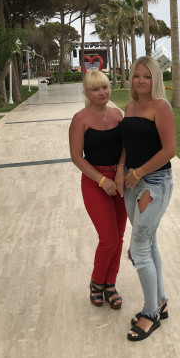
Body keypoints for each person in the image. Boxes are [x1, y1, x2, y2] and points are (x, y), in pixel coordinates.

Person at [115, 56, 176, 341]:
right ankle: (160, 301)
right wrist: (122, 169)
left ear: (155, 79)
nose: (141, 81)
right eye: (137, 75)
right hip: (131, 181)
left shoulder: (160, 107)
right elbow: (127, 143)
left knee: (138, 250)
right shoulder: (130, 106)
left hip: (154, 184)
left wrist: (138, 173)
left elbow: (169, 150)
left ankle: (150, 313)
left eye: (147, 76)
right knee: (148, 244)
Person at [69, 68, 127, 310]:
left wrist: (121, 170)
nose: (102, 92)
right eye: (95, 89)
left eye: (105, 87)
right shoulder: (80, 119)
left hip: (120, 180)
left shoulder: (117, 114)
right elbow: (76, 157)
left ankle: (110, 283)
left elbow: (126, 146)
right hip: (95, 182)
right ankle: (97, 281)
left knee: (119, 237)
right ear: (86, 93)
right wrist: (102, 181)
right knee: (108, 239)